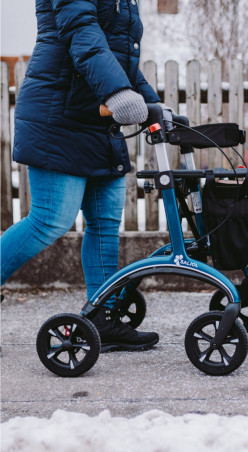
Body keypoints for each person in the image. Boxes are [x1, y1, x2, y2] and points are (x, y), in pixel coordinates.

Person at [1, 0, 160, 353]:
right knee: (50, 219)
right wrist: (117, 92)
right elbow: (81, 32)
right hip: (58, 115)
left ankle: (102, 318)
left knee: (105, 222)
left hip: (100, 117)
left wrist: (155, 107)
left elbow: (122, 57)